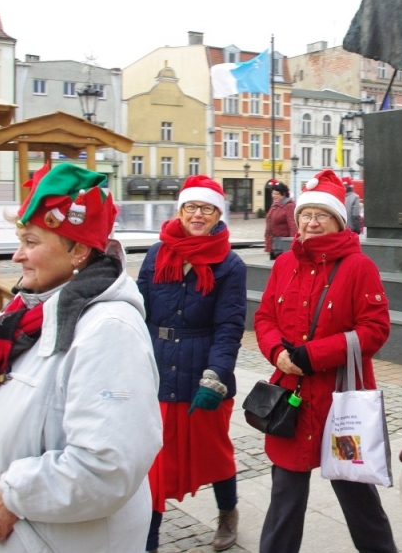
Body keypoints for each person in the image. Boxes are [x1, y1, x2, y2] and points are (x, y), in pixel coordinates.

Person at [0, 163, 162, 552]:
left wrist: (15, 495)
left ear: (79, 250)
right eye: (20, 240)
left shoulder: (108, 329)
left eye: (32, 242)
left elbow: (108, 467)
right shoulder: (26, 312)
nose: (18, 256)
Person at [253, 169, 397, 553]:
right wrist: (277, 353)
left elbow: (375, 329)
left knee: (358, 499)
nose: (311, 222)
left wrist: (315, 354)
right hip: (293, 401)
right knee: (284, 500)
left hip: (341, 401)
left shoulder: (358, 266)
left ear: (338, 221)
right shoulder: (285, 263)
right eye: (305, 214)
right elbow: (264, 317)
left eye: (321, 215)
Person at [138, 175, 246, 553]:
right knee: (155, 460)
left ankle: (228, 512)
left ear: (219, 214)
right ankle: (148, 540)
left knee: (214, 450)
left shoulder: (230, 265)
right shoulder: (156, 253)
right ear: (179, 210)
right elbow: (138, 309)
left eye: (206, 208)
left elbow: (229, 326)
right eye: (190, 207)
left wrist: (215, 376)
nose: (197, 215)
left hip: (203, 368)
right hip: (159, 367)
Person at [264, 181, 297, 260]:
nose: (274, 196)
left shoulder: (289, 206)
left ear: (283, 194)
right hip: (273, 243)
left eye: (277, 194)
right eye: (273, 193)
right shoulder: (274, 205)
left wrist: (293, 243)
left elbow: (292, 225)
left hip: (283, 245)